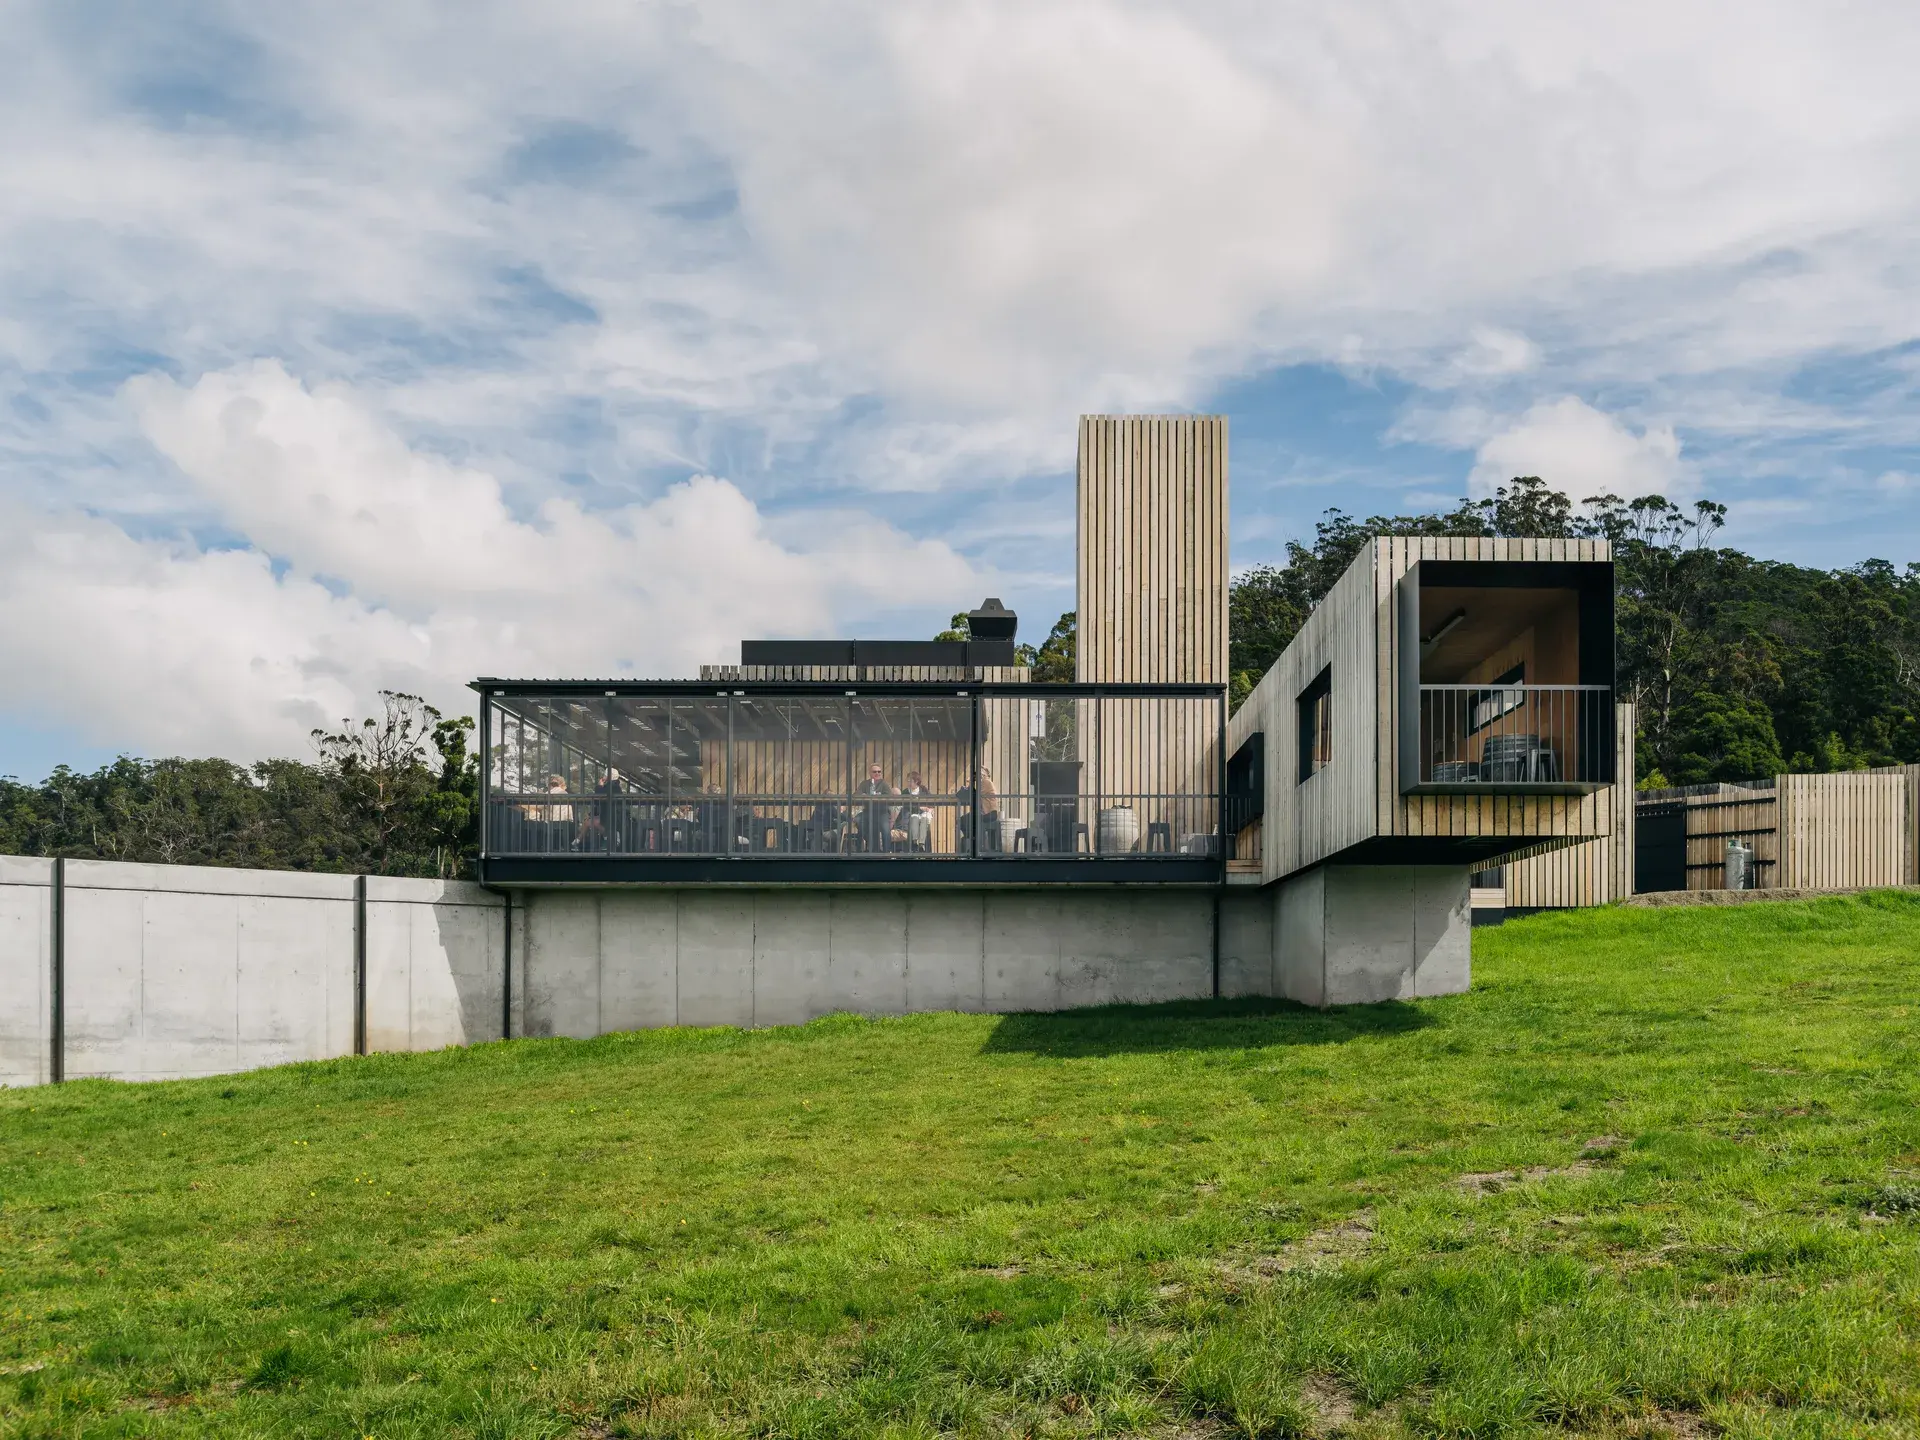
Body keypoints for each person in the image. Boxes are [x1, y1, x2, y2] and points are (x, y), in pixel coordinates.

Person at [853, 761, 899, 852]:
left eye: (879, 771)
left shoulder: (884, 784)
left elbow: (889, 797)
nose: (877, 773)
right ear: (870, 773)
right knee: (858, 820)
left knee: (885, 830)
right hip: (868, 811)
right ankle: (864, 849)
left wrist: (879, 796)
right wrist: (862, 795)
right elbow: (856, 795)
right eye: (875, 772)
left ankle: (886, 853)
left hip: (882, 812)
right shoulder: (865, 783)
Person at [897, 770, 933, 852]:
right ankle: (915, 843)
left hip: (924, 814)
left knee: (924, 821)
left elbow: (931, 801)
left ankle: (921, 844)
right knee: (914, 820)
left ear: (916, 781)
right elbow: (906, 806)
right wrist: (920, 807)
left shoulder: (923, 790)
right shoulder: (905, 792)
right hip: (911, 814)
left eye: (910, 781)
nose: (908, 783)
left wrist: (930, 809)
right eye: (907, 781)